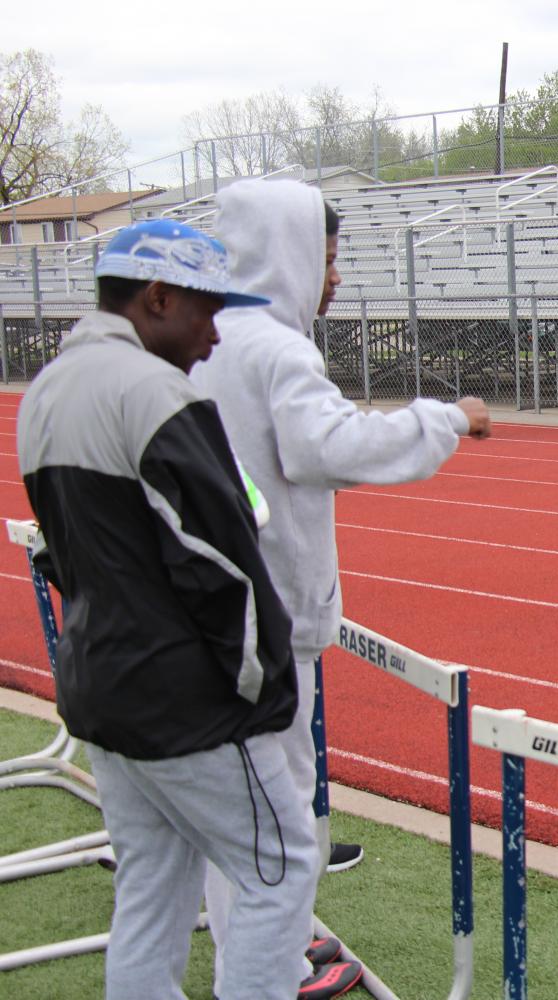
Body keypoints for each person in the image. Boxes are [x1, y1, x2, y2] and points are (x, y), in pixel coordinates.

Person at [191, 176, 492, 1000]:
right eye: (325, 257)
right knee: (278, 819)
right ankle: (269, 973)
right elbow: (329, 446)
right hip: (265, 620)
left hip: (210, 611)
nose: (333, 277)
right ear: (287, 251)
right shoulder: (275, 348)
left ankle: (264, 957)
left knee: (236, 814)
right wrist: (447, 419)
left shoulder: (206, 334)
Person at [15, 220, 321, 1000]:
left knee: (152, 888)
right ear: (158, 297)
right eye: (205, 311)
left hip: (100, 682)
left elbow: (63, 551)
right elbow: (226, 569)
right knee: (280, 872)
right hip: (184, 701)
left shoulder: (46, 389)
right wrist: (269, 695)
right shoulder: (156, 394)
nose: (214, 336)